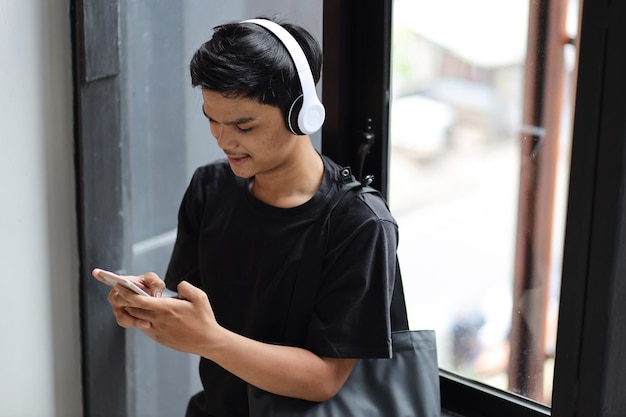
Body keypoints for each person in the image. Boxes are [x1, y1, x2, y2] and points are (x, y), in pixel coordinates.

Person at [93, 16, 406, 417]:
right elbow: (201, 320)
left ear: (302, 114)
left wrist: (209, 340)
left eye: (244, 125)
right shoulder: (210, 189)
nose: (224, 140)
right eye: (212, 119)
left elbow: (324, 379)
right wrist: (153, 309)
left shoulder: (360, 224)